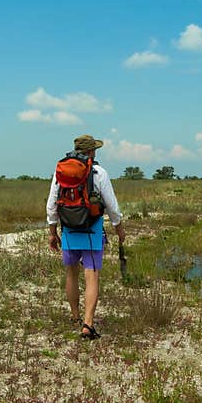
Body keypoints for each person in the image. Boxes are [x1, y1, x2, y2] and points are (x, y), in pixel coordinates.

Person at [46, 134, 125, 340]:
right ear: (91, 152)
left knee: (71, 274)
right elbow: (112, 205)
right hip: (91, 229)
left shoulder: (60, 172)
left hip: (69, 229)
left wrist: (53, 232)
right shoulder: (99, 172)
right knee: (92, 276)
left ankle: (74, 315)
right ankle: (88, 324)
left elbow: (52, 203)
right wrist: (119, 228)